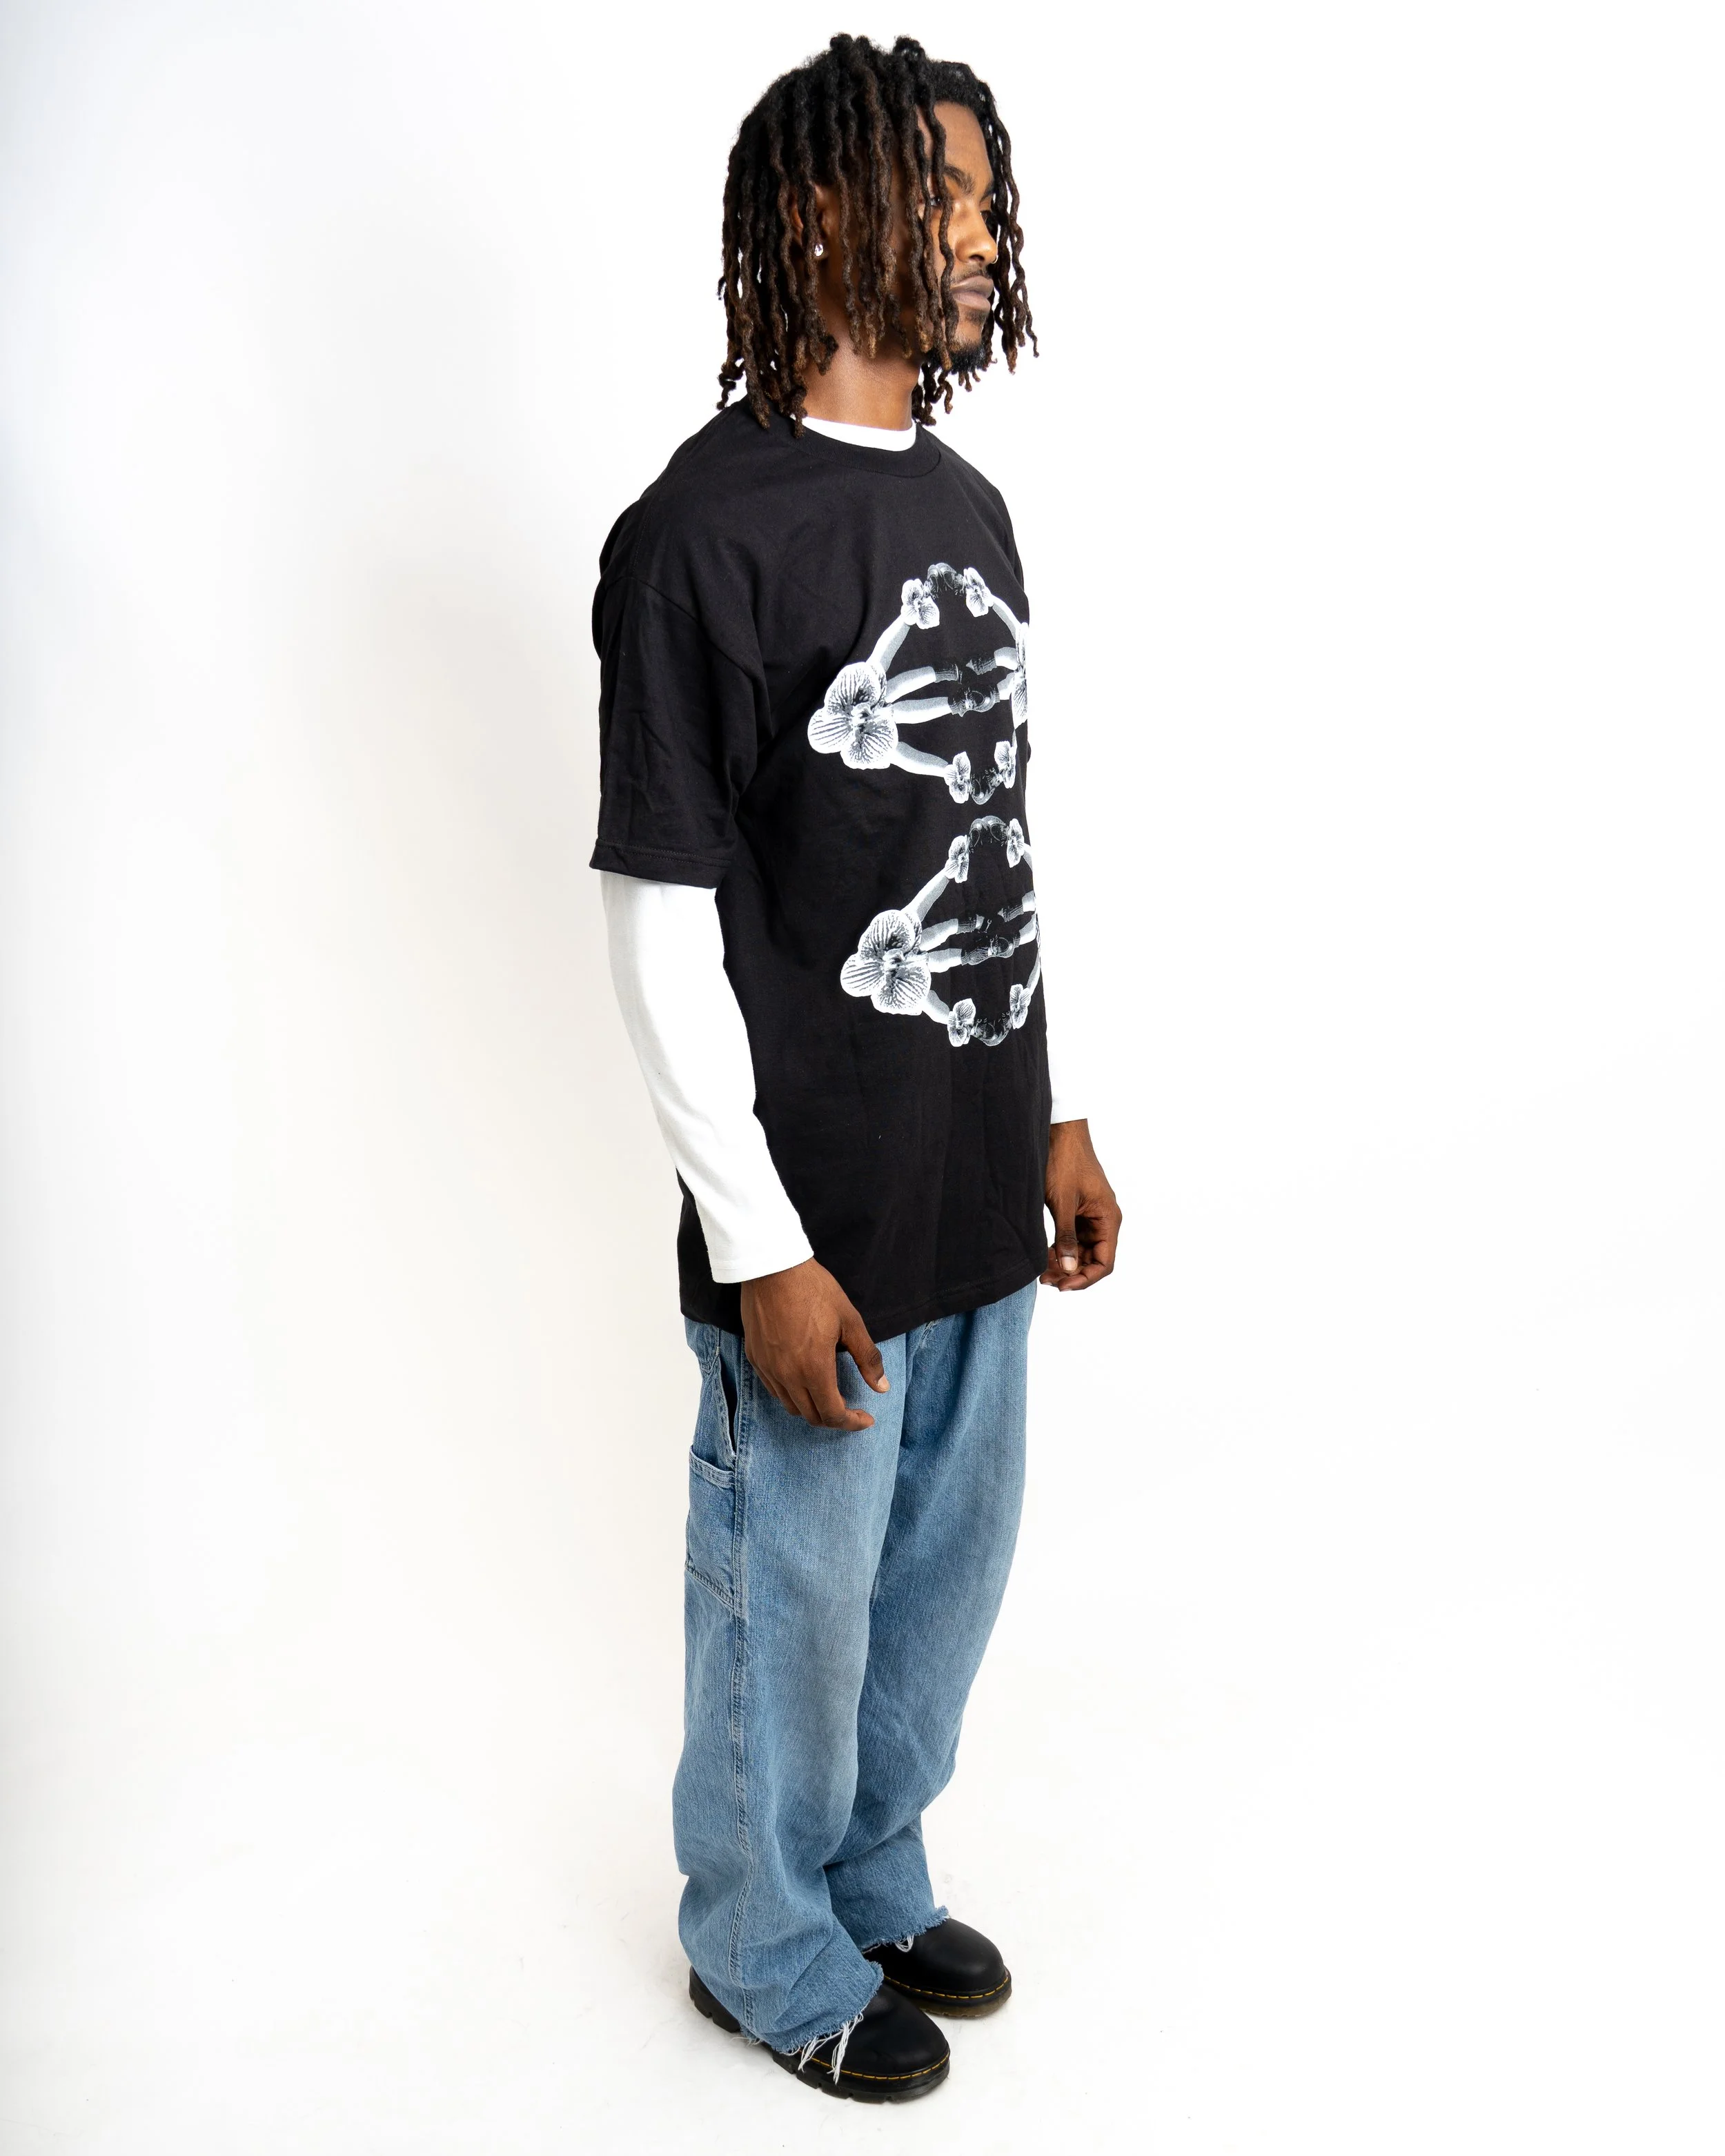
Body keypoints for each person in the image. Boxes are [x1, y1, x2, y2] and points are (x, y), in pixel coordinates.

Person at [590, 32, 1121, 2104]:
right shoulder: (697, 538)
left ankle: (874, 1864)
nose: (983, 236)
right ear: (820, 213)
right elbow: (656, 918)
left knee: (941, 1571)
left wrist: (1055, 1103)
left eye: (991, 200)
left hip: (974, 1174)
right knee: (791, 1592)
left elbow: (992, 832)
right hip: (811, 1213)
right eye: (946, 194)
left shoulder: (970, 509)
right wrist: (759, 1243)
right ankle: (759, 1928)